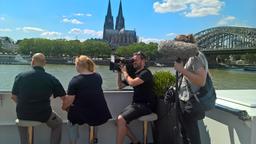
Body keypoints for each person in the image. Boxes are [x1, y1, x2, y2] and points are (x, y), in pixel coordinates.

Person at [11, 53, 66, 144]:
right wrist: (65, 106)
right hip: (43, 114)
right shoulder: (51, 78)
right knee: (58, 123)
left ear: (32, 62)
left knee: (22, 123)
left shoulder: (20, 76)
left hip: (23, 113)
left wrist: (25, 105)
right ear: (45, 63)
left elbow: (13, 97)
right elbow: (64, 97)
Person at [62, 55, 112, 144]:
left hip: (82, 114)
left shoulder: (75, 81)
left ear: (78, 65)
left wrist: (64, 107)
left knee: (71, 121)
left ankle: (73, 142)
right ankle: (94, 139)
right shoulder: (98, 77)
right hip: (100, 113)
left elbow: (69, 101)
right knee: (94, 121)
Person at [174, 34, 208, 144]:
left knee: (192, 136)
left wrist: (181, 69)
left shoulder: (196, 56)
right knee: (184, 133)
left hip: (191, 101)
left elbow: (201, 81)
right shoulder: (187, 58)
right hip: (183, 100)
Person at [116, 51, 155, 144]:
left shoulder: (146, 73)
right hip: (136, 104)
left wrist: (125, 72)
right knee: (118, 121)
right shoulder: (134, 73)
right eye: (133, 60)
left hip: (146, 105)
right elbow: (120, 86)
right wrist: (119, 73)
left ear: (143, 60)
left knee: (121, 120)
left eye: (136, 60)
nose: (134, 62)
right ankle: (135, 142)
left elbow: (132, 83)